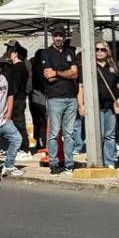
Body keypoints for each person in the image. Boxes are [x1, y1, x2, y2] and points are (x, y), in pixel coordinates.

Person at [80, 43, 119, 168]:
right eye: (97, 49)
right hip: (95, 106)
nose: (99, 52)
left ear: (107, 51)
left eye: (102, 49)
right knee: (100, 135)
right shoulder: (89, 67)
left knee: (110, 135)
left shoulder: (113, 68)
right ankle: (98, 160)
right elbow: (81, 87)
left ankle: (109, 161)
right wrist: (81, 105)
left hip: (110, 106)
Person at [41, 25, 79, 174]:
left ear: (64, 37)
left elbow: (75, 74)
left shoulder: (70, 52)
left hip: (71, 97)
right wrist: (66, 73)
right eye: (56, 35)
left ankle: (69, 163)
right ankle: (54, 163)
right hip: (55, 97)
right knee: (54, 133)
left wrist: (56, 72)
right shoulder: (46, 53)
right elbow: (48, 77)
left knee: (69, 134)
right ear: (52, 37)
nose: (58, 38)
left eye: (61, 35)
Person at [2, 43, 30, 149]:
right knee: (16, 124)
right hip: (17, 99)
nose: (8, 54)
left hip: (18, 100)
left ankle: (24, 147)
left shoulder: (19, 66)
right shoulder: (16, 66)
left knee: (19, 124)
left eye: (10, 51)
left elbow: (16, 85)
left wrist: (10, 98)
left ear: (15, 53)